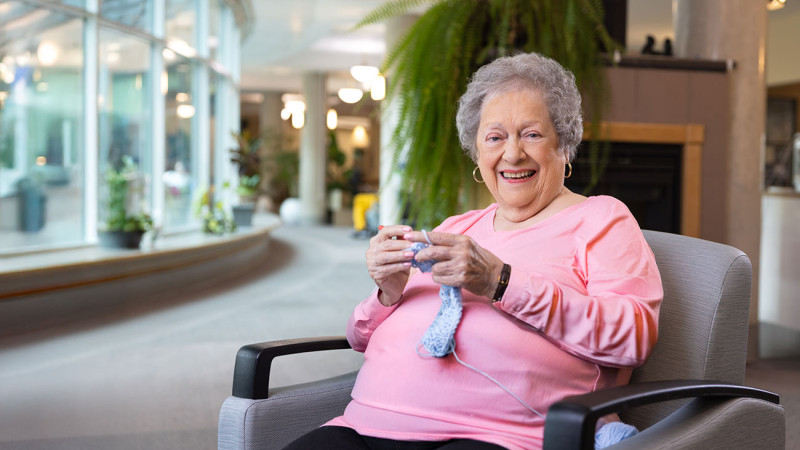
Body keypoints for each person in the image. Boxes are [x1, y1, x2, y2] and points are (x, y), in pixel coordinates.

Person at [283, 52, 663, 450]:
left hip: (498, 437)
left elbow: (632, 337)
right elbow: (358, 337)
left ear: (564, 145)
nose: (512, 154)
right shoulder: (456, 228)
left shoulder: (602, 219)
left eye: (531, 134)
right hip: (363, 427)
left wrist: (501, 281)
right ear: (479, 156)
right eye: (495, 138)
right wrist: (388, 292)